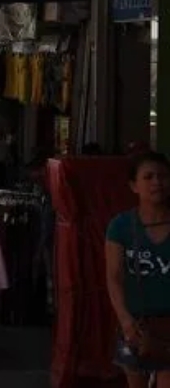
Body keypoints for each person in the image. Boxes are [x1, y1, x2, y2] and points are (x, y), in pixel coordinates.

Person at [106, 152, 170, 388]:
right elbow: (114, 277)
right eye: (148, 177)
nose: (156, 182)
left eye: (162, 176)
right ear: (134, 186)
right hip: (135, 326)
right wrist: (125, 321)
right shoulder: (120, 226)